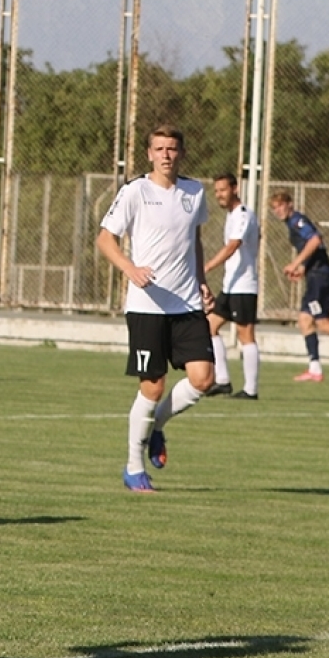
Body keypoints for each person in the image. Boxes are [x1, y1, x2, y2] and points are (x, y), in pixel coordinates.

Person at [95, 126, 214, 494]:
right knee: (154, 385)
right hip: (147, 306)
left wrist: (202, 278)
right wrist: (129, 268)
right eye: (159, 149)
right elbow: (104, 238)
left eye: (172, 149)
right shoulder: (135, 191)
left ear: (181, 153)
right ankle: (133, 467)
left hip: (187, 303)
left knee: (203, 379)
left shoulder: (195, 192)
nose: (166, 155)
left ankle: (157, 427)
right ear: (149, 153)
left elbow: (193, 237)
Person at [269, 188, 329, 381]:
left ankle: (315, 368)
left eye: (281, 205)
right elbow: (316, 252)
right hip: (316, 276)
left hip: (319, 279)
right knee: (323, 324)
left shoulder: (297, 220)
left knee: (305, 319)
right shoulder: (291, 223)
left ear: (290, 204)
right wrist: (303, 268)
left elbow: (315, 240)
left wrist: (295, 263)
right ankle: (315, 369)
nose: (278, 210)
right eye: (274, 208)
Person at [202, 174, 259, 399]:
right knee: (209, 327)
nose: (219, 195)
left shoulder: (244, 215)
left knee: (246, 336)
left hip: (244, 286)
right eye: (216, 191)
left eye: (223, 190)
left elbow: (233, 246)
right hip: (231, 285)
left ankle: (251, 390)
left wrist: (207, 267)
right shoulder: (232, 216)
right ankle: (223, 380)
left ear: (235, 189)